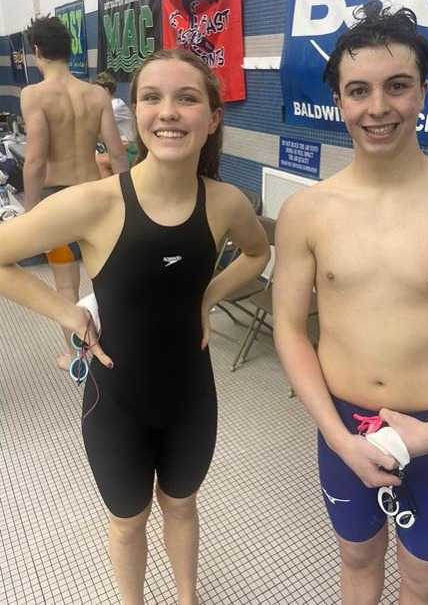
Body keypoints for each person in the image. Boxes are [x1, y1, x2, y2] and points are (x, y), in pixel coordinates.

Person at [273, 4, 428, 605]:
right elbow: (288, 328)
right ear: (339, 100)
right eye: (359, 90)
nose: (378, 107)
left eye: (397, 86)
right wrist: (337, 436)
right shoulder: (307, 212)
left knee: (424, 578)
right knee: (358, 558)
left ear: (423, 92)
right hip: (342, 425)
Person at [0, 47, 270, 605]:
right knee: (128, 522)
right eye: (152, 97)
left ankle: (187, 598)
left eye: (187, 98)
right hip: (116, 402)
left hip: (191, 397)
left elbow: (257, 253)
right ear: (136, 111)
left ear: (213, 118)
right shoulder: (94, 203)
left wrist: (209, 295)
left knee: (182, 506)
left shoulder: (226, 202)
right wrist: (68, 313)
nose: (168, 111)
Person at [21, 16, 129, 369]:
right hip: (96, 197)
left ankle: (75, 357)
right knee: (107, 278)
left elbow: (35, 161)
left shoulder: (34, 95)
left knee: (66, 287)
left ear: (37, 51)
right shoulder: (97, 94)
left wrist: (31, 213)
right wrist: (129, 202)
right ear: (70, 51)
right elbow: (117, 154)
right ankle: (116, 347)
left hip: (57, 205)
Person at [92, 71, 137, 177]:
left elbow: (94, 126)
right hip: (119, 145)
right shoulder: (110, 105)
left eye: (95, 91)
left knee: (98, 160)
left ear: (106, 90)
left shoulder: (116, 107)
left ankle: (111, 185)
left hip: (128, 147)